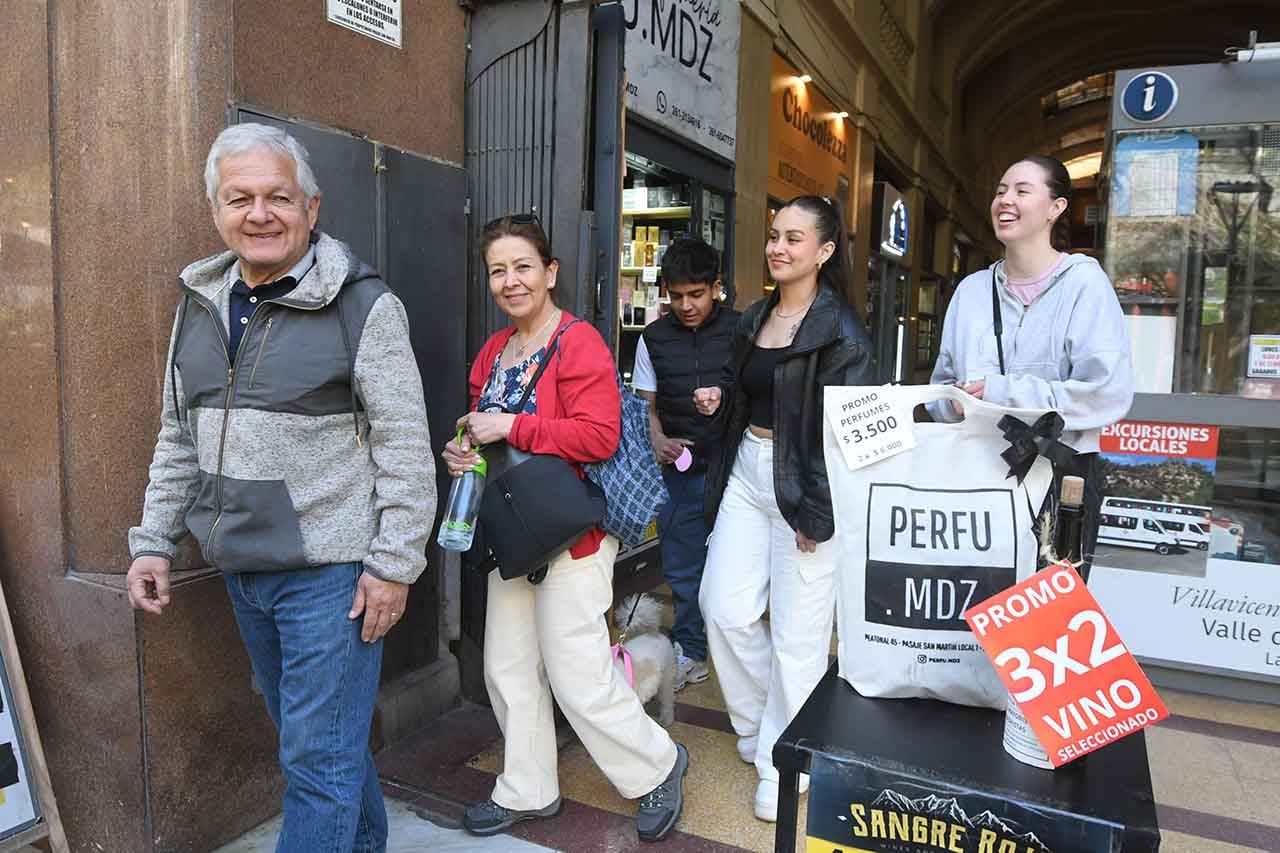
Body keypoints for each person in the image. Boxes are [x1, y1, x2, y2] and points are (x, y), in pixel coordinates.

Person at [126, 122, 436, 852]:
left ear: (312, 207)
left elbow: (404, 446)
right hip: (244, 570)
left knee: (315, 759)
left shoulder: (363, 306)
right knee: (322, 745)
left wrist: (394, 564)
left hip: (332, 576)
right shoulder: (196, 306)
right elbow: (178, 436)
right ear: (216, 211)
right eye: (240, 198)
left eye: (278, 197)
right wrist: (153, 541)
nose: (260, 214)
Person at [444, 214, 689, 842]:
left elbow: (598, 435)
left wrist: (512, 428)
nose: (510, 280)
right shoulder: (494, 352)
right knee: (506, 666)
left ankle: (659, 765)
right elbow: (481, 436)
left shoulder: (578, 342)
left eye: (522, 266)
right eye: (498, 270)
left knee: (579, 674)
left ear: (550, 272)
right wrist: (463, 449)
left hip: (574, 535)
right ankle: (528, 787)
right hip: (514, 534)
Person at [692, 195, 876, 821]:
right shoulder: (753, 318)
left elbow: (848, 434)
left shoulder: (844, 333)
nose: (778, 247)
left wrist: (818, 512)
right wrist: (723, 395)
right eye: (775, 235)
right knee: (722, 606)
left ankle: (783, 759)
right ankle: (758, 725)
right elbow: (752, 392)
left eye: (794, 238)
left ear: (824, 252)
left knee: (799, 639)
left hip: (808, 486)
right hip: (748, 470)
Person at [929, 155, 1133, 575]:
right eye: (1001, 191)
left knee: (1044, 623)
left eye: (1022, 191)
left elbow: (1106, 392)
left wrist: (1000, 391)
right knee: (969, 608)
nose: (1006, 200)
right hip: (976, 473)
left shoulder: (1084, 283)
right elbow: (943, 385)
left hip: (1062, 476)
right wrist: (946, 405)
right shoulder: (971, 291)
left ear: (1056, 207)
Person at [631, 237, 740, 691]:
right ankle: (691, 650)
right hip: (680, 468)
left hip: (735, 466)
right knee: (681, 565)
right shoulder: (653, 338)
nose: (686, 305)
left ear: (716, 287)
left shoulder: (743, 329)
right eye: (676, 296)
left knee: (735, 567)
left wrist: (725, 399)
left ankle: (737, 653)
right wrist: (656, 439)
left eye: (696, 294)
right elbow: (644, 406)